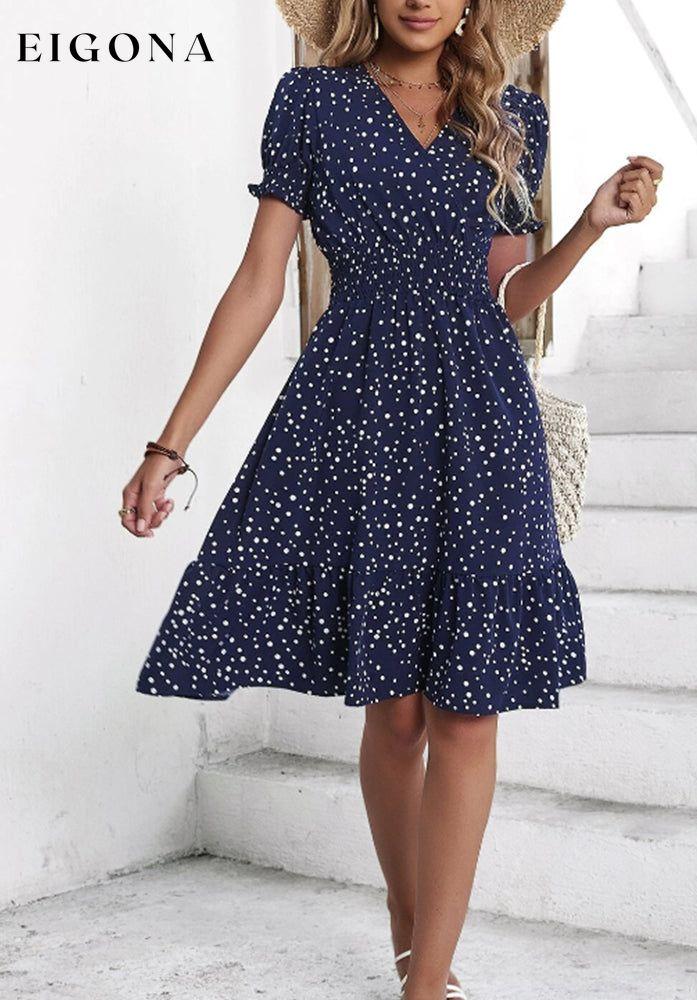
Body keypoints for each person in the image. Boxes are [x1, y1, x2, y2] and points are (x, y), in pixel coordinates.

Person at [121, 2, 662, 996]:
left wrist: (588, 225)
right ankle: (409, 920)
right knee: (398, 711)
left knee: (467, 710)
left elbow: (506, 296)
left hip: (480, 419)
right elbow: (259, 281)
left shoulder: (511, 117)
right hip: (358, 412)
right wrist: (171, 443)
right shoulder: (311, 102)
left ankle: (426, 981)